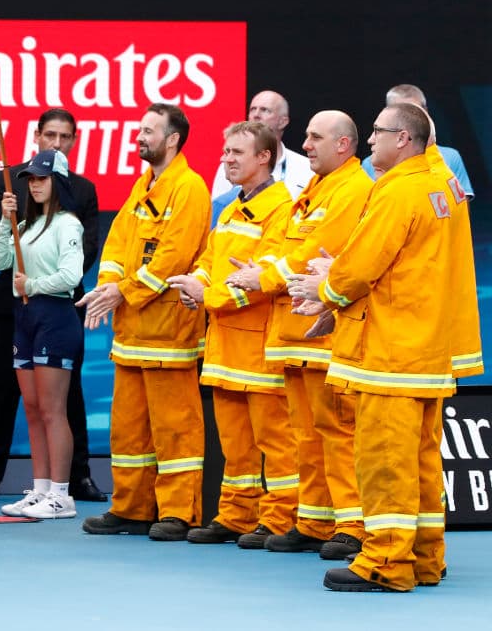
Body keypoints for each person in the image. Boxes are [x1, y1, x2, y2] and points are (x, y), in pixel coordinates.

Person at [288, 102, 456, 592]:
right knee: (421, 462)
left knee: (384, 460)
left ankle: (385, 560)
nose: (370, 141)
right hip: (423, 348)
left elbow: (361, 266)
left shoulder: (397, 191)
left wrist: (323, 288)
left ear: (402, 139)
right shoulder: (440, 183)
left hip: (390, 350)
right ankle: (424, 557)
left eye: (378, 132)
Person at [226, 111, 372, 560]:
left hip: (323, 334)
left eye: (314, 138)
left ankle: (352, 524)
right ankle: (314, 521)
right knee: (306, 435)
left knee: (336, 431)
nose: (305, 145)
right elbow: (291, 249)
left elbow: (313, 254)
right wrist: (264, 271)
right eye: (306, 137)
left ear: (343, 145)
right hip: (292, 332)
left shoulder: (352, 190)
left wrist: (263, 276)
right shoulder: (316, 187)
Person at [78, 103, 210, 540]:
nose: (140, 136)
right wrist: (108, 285)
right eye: (140, 129)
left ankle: (177, 511)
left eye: (149, 131)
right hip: (131, 332)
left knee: (175, 430)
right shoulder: (142, 187)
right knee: (129, 429)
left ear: (172, 139)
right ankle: (132, 507)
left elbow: (173, 255)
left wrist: (124, 291)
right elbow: (117, 244)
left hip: (170, 333)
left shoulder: (189, 188)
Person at [168, 120, 297, 549]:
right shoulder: (230, 208)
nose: (227, 160)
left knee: (275, 442)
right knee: (235, 445)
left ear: (264, 157)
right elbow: (211, 262)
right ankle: (236, 515)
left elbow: (262, 280)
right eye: (225, 152)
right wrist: (194, 285)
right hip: (225, 347)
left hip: (259, 348)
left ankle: (280, 518)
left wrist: (208, 295)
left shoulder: (282, 209)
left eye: (236, 153)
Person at [0, 108, 105, 504]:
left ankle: (72, 480)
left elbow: (84, 252)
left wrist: (44, 285)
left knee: (64, 398)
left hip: (58, 306)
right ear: (37, 136)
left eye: (66, 137)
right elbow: (2, 251)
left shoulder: (80, 191)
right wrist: (8, 230)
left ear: (74, 141)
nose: (58, 143)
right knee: (9, 393)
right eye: (51, 135)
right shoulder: (10, 181)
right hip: (15, 306)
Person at [0, 149, 84, 519]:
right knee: (31, 408)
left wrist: (33, 282)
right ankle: (41, 488)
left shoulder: (68, 224)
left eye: (42, 178)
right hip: (24, 316)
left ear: (57, 181)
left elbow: (72, 276)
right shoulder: (24, 226)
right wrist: (4, 220)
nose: (35, 184)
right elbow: (0, 260)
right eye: (31, 178)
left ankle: (61, 495)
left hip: (56, 316)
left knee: (52, 410)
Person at [210, 90, 312, 226]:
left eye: (265, 110)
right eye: (252, 109)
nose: (256, 115)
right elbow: (218, 210)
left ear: (283, 121)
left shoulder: (306, 167)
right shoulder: (229, 165)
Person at [361, 84, 475, 198]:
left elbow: (461, 210)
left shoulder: (450, 157)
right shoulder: (370, 163)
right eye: (400, 113)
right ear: (385, 113)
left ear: (426, 111)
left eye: (414, 112)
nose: (409, 120)